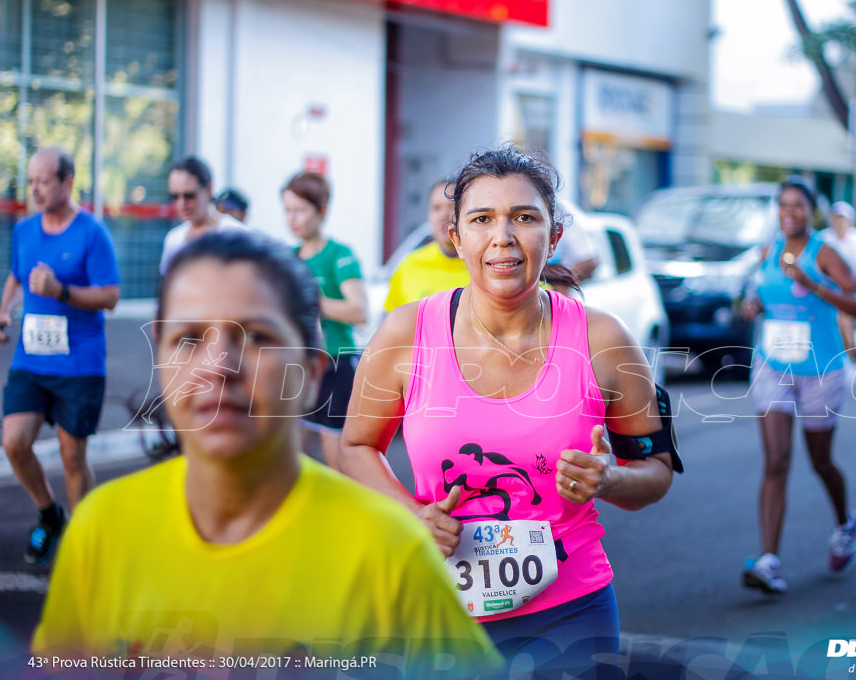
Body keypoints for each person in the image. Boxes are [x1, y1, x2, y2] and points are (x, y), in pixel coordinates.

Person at [32, 231, 500, 676]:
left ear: (312, 372)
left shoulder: (391, 554)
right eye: (189, 338)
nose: (219, 366)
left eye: (256, 337)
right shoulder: (103, 529)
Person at [339, 147, 677, 676]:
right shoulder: (405, 334)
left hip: (571, 612)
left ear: (554, 235)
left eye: (524, 217)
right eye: (481, 219)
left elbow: (656, 473)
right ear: (456, 238)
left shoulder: (604, 340)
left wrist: (609, 478)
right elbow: (357, 446)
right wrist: (413, 517)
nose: (503, 236)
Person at [740, 177, 856, 594]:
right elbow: (760, 297)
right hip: (772, 364)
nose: (789, 212)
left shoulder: (824, 252)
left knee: (819, 461)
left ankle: (846, 523)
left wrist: (814, 283)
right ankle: (768, 561)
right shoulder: (768, 252)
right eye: (783, 205)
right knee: (776, 460)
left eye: (798, 205)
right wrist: (753, 305)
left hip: (822, 368)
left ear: (811, 210)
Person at [0, 147, 121, 565]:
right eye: (31, 181)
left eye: (44, 181)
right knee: (14, 442)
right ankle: (51, 515)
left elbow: (111, 296)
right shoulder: (25, 230)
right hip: (31, 360)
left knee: (72, 456)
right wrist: (3, 312)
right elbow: (16, 277)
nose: (35, 189)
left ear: (68, 182)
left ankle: (84, 545)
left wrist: (62, 292)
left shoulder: (92, 232)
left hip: (80, 364)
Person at [282, 171, 368, 468]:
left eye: (300, 210)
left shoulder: (339, 255)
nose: (292, 219)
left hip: (335, 366)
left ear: (321, 210)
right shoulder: (287, 258)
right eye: (287, 211)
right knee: (292, 465)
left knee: (337, 465)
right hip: (297, 368)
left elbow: (359, 311)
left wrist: (312, 301)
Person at [384, 179, 470, 311]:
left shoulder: (484, 265)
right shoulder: (410, 264)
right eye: (436, 208)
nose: (443, 214)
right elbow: (390, 319)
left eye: (451, 206)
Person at [159, 156, 245, 274]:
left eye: (189, 195)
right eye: (175, 197)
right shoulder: (174, 240)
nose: (182, 204)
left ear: (209, 189)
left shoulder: (236, 234)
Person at [820, 201, 856, 362]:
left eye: (843, 218)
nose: (840, 222)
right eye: (837, 218)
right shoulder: (824, 237)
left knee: (844, 320)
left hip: (852, 287)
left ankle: (849, 358)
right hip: (830, 286)